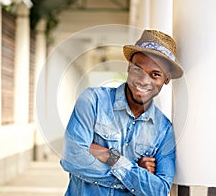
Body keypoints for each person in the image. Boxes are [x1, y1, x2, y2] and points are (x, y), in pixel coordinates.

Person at [60, 29, 184, 196]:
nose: (143, 81)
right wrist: (136, 174)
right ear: (129, 67)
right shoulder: (93, 101)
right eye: (138, 69)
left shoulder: (163, 130)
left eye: (155, 74)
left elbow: (160, 190)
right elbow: (73, 158)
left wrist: (113, 158)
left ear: (166, 79)